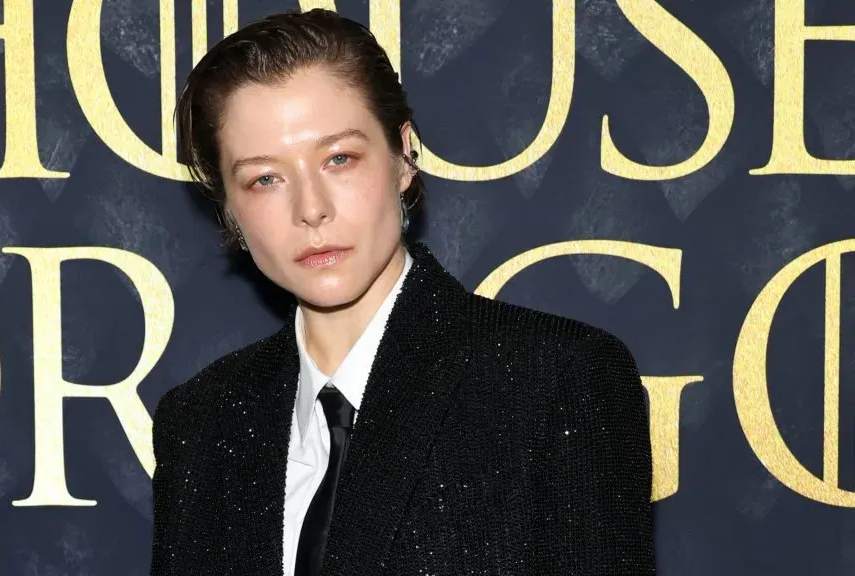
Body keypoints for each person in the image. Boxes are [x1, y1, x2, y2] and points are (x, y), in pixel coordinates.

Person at [150, 8, 654, 576]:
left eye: (339, 158)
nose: (310, 208)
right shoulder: (198, 423)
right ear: (229, 208)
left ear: (403, 157)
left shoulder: (558, 380)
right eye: (266, 178)